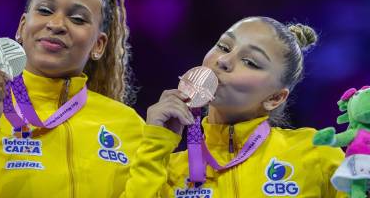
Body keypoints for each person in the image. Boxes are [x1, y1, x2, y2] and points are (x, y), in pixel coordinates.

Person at [0, 0, 145, 198]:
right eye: (44, 10)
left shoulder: (129, 126)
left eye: (78, 19)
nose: (56, 24)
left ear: (98, 45)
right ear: (22, 27)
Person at [128, 16, 347, 197]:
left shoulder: (316, 153)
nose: (223, 60)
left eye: (250, 61)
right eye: (223, 46)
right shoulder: (168, 169)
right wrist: (155, 144)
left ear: (275, 98)